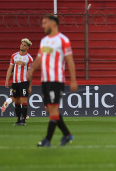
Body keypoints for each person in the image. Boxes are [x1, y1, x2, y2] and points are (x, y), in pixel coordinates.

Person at [28, 15, 78, 147]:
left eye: (45, 23)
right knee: (50, 110)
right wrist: (32, 69)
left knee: (54, 109)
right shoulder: (44, 41)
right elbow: (39, 58)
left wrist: (73, 80)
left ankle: (47, 140)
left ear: (53, 24)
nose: (43, 26)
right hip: (45, 81)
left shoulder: (63, 40)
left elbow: (70, 60)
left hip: (56, 80)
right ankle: (67, 135)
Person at [3, 38, 33, 126]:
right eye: (21, 44)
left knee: (23, 100)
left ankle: (23, 121)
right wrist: (7, 80)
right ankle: (18, 120)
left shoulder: (29, 58)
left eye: (24, 45)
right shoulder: (14, 56)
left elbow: (30, 73)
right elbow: (10, 69)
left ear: (27, 47)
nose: (22, 46)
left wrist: (30, 86)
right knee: (16, 101)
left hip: (24, 82)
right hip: (15, 82)